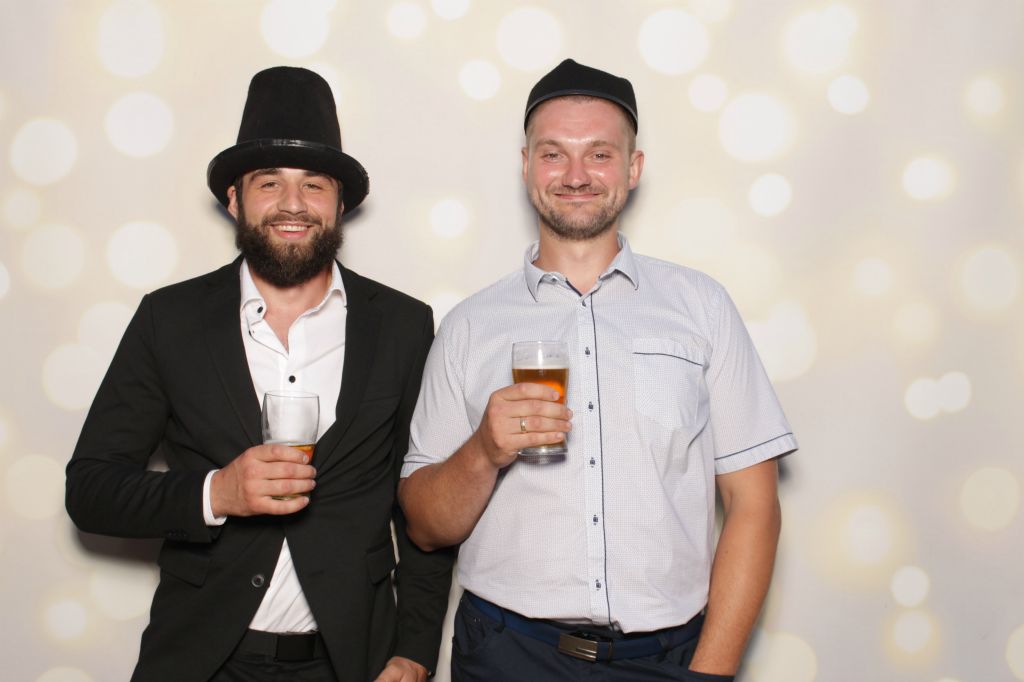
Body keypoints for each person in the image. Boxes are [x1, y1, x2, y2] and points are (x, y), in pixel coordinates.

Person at [398, 59, 798, 682]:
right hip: (508, 655)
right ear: (526, 165)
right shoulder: (469, 326)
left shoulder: (702, 307)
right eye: (553, 154)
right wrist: (483, 451)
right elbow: (425, 528)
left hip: (669, 657)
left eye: (600, 154)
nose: (576, 175)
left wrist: (711, 673)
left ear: (633, 168)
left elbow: (754, 503)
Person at [66, 66, 453, 682]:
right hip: (202, 660)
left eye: (314, 185)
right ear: (234, 200)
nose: (293, 204)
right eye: (269, 182)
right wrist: (217, 493)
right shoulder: (170, 319)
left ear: (340, 204)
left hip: (353, 661)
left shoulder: (404, 326)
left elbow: (422, 494)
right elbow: (90, 490)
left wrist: (415, 648)